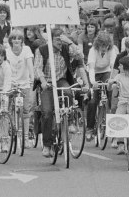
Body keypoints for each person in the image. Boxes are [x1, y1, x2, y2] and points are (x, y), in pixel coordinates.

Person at [35, 27, 90, 158]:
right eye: (57, 39)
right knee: (47, 112)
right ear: (50, 39)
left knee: (68, 92)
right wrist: (42, 81)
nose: (60, 42)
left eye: (61, 39)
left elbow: (80, 57)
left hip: (61, 80)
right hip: (47, 82)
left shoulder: (66, 49)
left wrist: (70, 43)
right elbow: (37, 68)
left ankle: (70, 121)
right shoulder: (42, 50)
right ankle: (47, 145)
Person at [86, 33, 118, 141]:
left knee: (112, 95)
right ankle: (89, 128)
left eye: (106, 46)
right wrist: (93, 82)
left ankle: (113, 125)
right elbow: (91, 68)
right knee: (93, 100)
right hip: (94, 73)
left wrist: (112, 80)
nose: (104, 48)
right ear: (98, 45)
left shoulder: (112, 50)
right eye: (102, 46)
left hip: (106, 72)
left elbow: (114, 66)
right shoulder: (92, 51)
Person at [5, 29, 34, 147]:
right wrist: (8, 83)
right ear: (11, 41)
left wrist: (32, 79)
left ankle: (26, 138)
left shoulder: (26, 50)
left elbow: (30, 65)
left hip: (24, 83)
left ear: (22, 41)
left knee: (26, 110)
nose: (16, 41)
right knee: (8, 108)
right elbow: (6, 68)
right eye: (14, 38)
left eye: (19, 39)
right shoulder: (7, 51)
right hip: (11, 83)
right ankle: (8, 133)